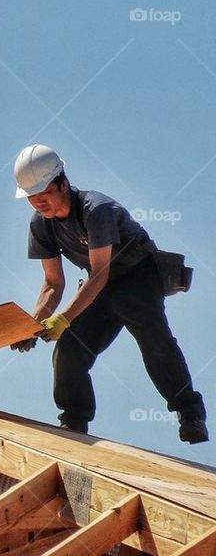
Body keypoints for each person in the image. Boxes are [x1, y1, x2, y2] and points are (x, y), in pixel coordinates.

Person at [12, 144, 207, 443]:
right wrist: (33, 323)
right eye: (31, 198)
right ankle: (73, 423)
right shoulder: (41, 225)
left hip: (136, 276)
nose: (38, 203)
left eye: (44, 195)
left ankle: (190, 412)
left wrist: (63, 318)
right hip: (98, 285)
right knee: (68, 350)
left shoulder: (96, 210)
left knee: (155, 340)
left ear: (63, 183)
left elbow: (101, 271)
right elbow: (53, 283)